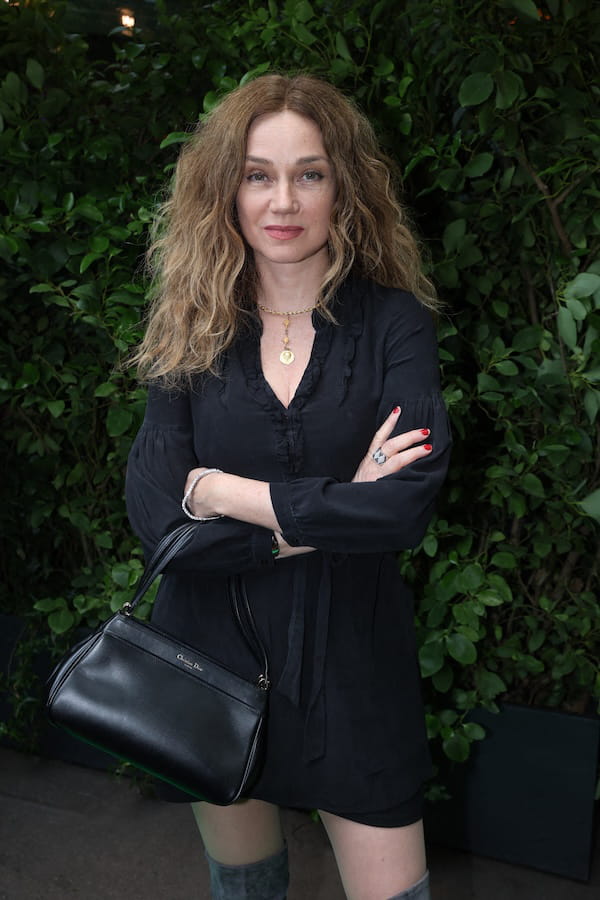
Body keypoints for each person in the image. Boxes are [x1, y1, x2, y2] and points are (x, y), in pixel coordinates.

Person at [125, 73, 451, 900]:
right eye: (257, 175)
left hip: (354, 668)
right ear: (226, 190)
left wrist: (223, 493)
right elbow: (160, 522)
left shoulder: (396, 324)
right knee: (247, 889)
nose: (283, 200)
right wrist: (334, 508)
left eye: (310, 173)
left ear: (344, 186)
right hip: (209, 663)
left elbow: (400, 509)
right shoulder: (190, 326)